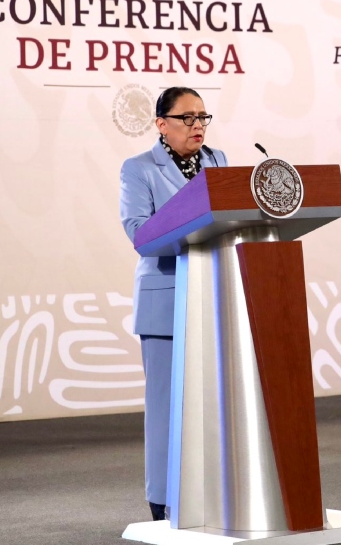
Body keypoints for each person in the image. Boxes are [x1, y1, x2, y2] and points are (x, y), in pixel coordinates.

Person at [119, 87, 227, 520]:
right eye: (187, 117)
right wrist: (196, 232)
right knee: (166, 408)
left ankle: (215, 493)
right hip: (166, 299)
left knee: (215, 403)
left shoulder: (218, 161)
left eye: (203, 117)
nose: (198, 125)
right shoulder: (138, 168)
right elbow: (140, 233)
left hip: (216, 297)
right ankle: (161, 503)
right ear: (161, 123)